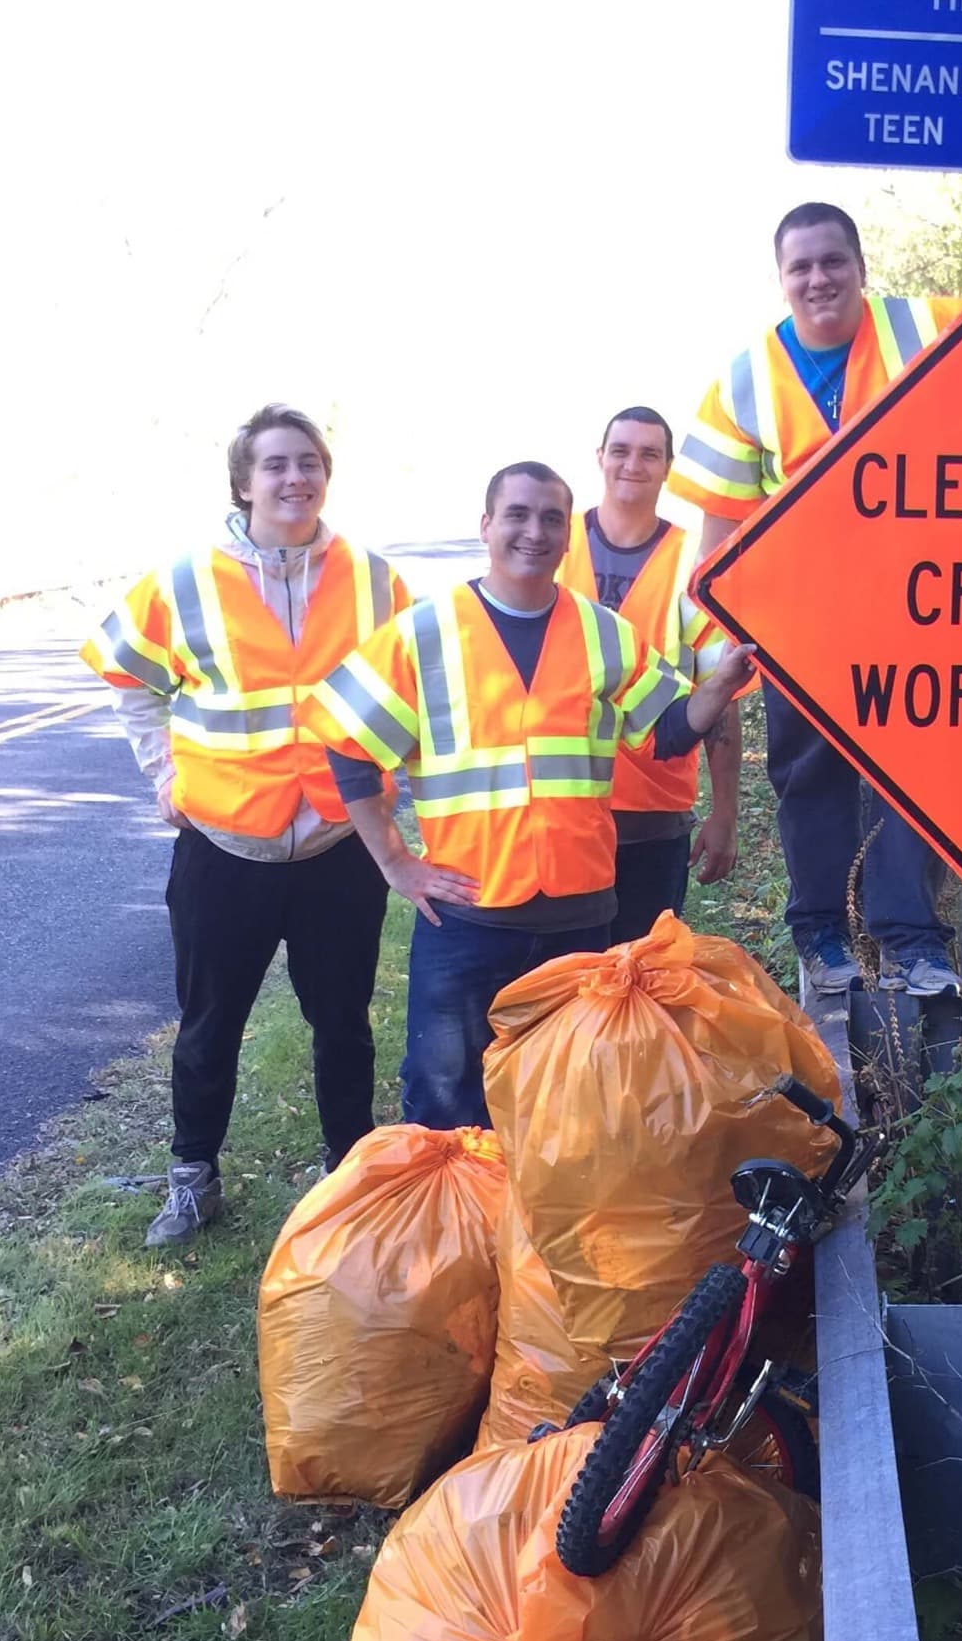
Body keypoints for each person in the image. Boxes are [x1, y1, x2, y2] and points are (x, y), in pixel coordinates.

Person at [670, 177, 962, 998]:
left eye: (833, 263)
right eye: (801, 268)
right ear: (780, 278)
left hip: (924, 612)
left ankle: (910, 939)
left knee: (913, 775)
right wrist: (722, 649)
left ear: (861, 266)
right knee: (810, 781)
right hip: (802, 624)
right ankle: (821, 935)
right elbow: (720, 535)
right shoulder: (746, 379)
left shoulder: (925, 327)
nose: (818, 280)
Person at [299, 461, 752, 1131]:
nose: (532, 531)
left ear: (566, 539)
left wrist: (720, 685)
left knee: (570, 1095)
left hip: (581, 913)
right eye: (516, 514)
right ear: (486, 526)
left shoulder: (604, 632)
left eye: (549, 518)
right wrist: (396, 862)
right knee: (448, 1097)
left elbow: (667, 734)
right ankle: (455, 1230)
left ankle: (542, 1229)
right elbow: (347, 739)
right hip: (467, 914)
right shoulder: (426, 632)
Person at [82, 403, 412, 1247]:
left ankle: (351, 1180)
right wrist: (166, 775)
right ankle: (194, 1180)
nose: (295, 477)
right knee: (208, 1022)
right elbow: (129, 676)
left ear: (325, 476)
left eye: (308, 462)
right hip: (226, 845)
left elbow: (410, 689)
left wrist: (394, 788)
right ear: (244, 481)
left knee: (341, 1021)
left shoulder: (375, 579)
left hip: (339, 845)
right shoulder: (187, 578)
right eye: (276, 464)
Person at [557, 405, 740, 943]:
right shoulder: (552, 540)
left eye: (649, 454)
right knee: (559, 994)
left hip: (652, 813)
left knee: (641, 990)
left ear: (667, 468)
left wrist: (724, 813)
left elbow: (720, 693)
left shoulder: (692, 563)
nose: (632, 464)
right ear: (600, 458)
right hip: (557, 811)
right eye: (621, 450)